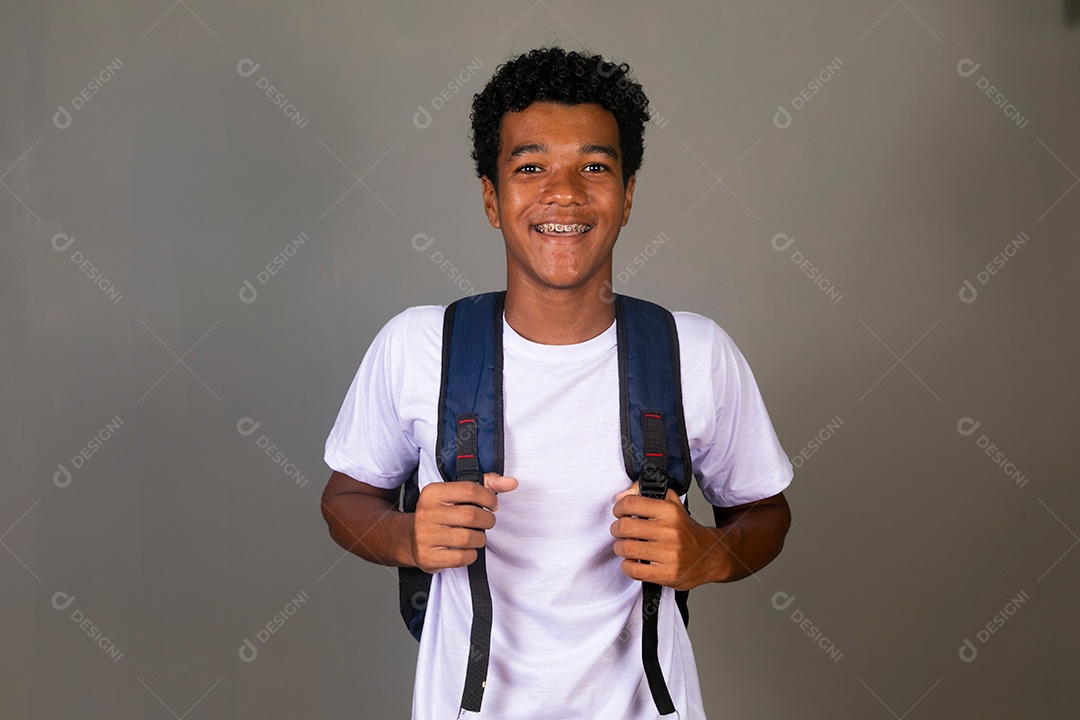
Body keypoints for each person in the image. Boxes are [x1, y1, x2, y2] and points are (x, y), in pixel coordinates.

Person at [320, 46, 793, 719]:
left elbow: (767, 513)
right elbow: (344, 498)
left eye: (594, 167)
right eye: (531, 166)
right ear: (492, 198)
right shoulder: (418, 346)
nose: (564, 193)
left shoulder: (695, 352)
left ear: (627, 196)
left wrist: (710, 554)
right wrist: (404, 538)